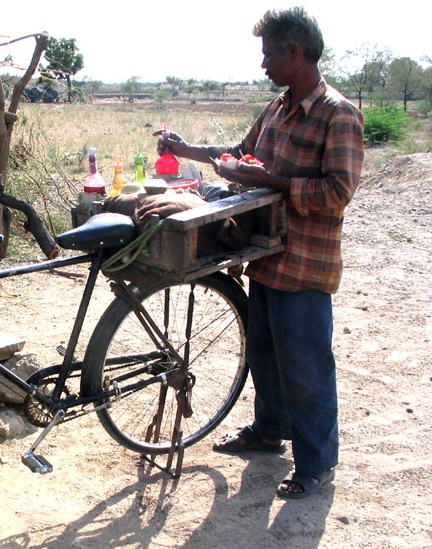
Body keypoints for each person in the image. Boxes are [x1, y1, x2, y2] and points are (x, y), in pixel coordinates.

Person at [141, 7, 364, 499]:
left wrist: (271, 181)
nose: (263, 64)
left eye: (269, 54)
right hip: (264, 254)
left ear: (295, 52)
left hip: (305, 263)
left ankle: (316, 464)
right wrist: (188, 150)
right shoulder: (277, 109)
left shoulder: (338, 113)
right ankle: (268, 432)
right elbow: (240, 153)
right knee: (264, 354)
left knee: (305, 367)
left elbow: (338, 191)